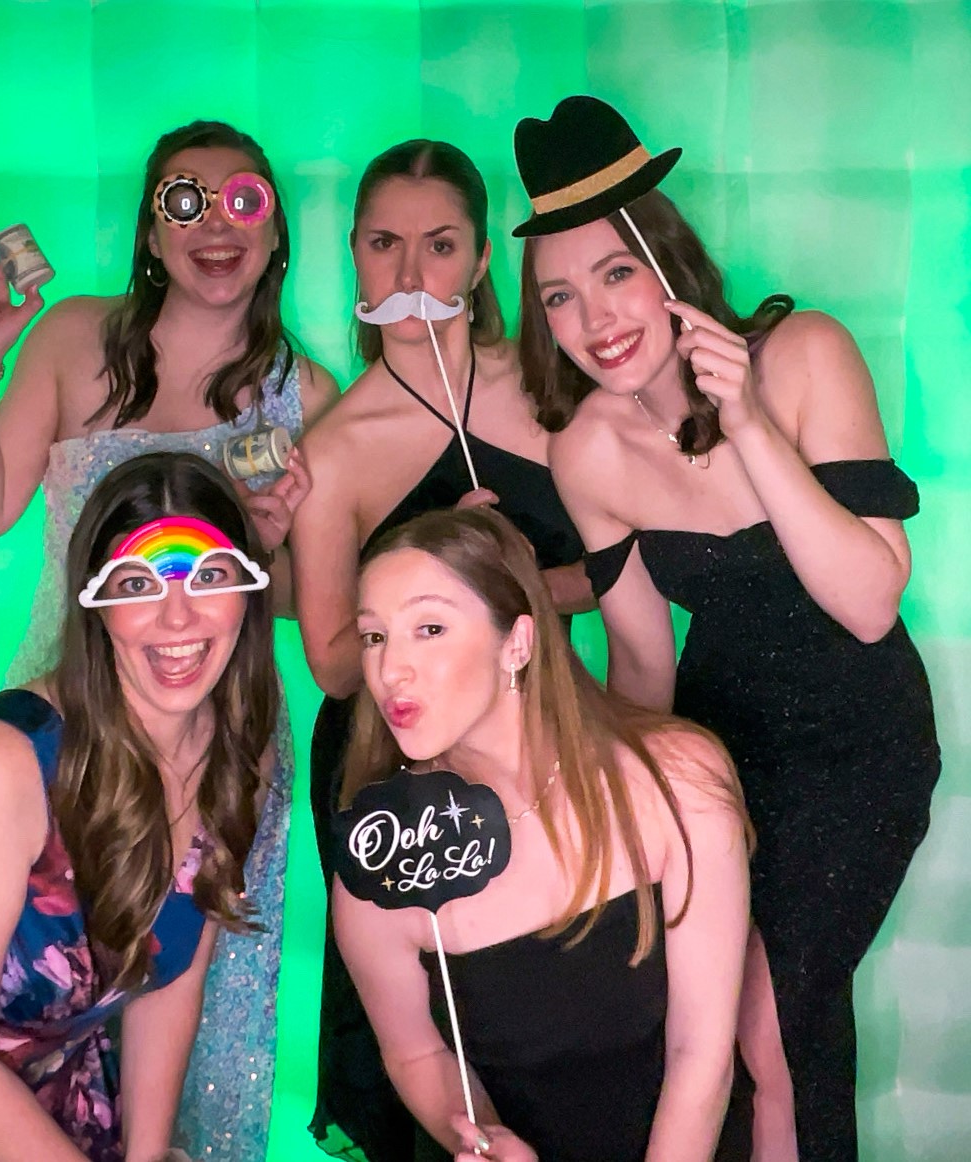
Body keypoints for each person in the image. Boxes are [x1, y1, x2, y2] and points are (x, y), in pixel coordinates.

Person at [512, 95, 941, 1161]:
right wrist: (615, 808)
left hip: (861, 740)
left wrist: (746, 422)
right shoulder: (587, 451)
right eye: (561, 297)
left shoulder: (802, 353)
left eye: (616, 273)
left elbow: (868, 601)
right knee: (735, 1014)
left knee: (773, 1005)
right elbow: (647, 661)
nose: (597, 317)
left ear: (667, 263)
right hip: (720, 748)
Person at [0, 120, 338, 1157]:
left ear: (278, 233)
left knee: (193, 1028)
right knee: (24, 1002)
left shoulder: (309, 396)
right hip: (68, 724)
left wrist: (281, 541)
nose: (215, 224)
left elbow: (289, 605)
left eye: (243, 199)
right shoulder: (73, 338)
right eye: (183, 202)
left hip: (222, 735)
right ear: (152, 237)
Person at [290, 139, 591, 1161]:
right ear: (354, 256)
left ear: (476, 261)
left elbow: (624, 566)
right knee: (426, 1034)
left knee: (569, 1009)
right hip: (393, 763)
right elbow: (335, 660)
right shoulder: (334, 446)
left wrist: (493, 586)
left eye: (439, 244)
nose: (411, 273)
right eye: (384, 244)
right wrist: (425, 605)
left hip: (544, 726)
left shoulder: (551, 392)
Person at [332, 505, 753, 1162]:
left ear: (518, 643)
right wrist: (473, 1134)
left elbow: (703, 1056)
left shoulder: (678, 779)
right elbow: (416, 1050)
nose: (391, 671)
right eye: (375, 637)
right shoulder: (385, 854)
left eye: (430, 628)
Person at [0, 451, 277, 1161]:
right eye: (137, 583)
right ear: (92, 604)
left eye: (212, 575)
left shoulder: (236, 751)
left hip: (68, 1113)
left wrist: (147, 1155)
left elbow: (171, 972)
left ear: (249, 591)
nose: (178, 615)